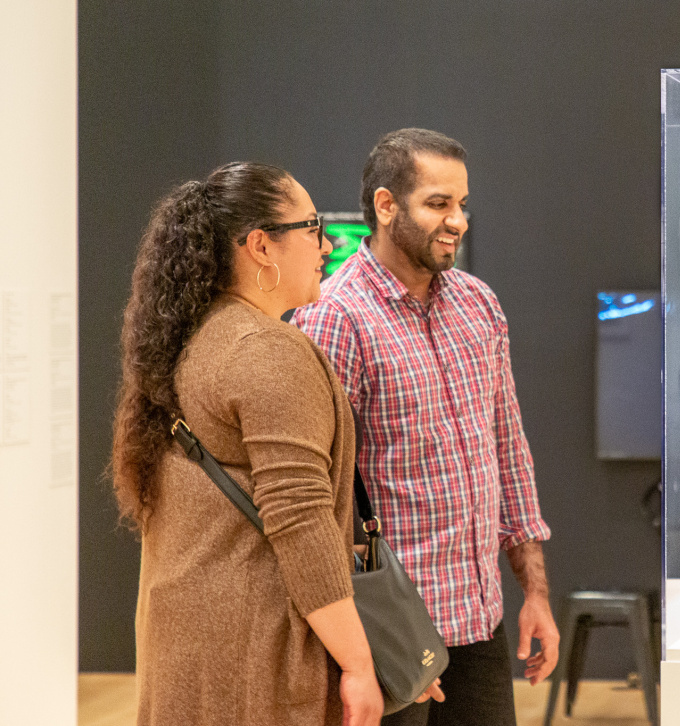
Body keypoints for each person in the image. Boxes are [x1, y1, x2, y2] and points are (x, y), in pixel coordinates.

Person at [112, 161, 439, 725]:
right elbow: (302, 520)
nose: (329, 242)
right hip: (258, 653)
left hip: (192, 642)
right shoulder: (268, 350)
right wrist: (360, 665)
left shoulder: (193, 338)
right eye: (313, 227)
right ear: (262, 246)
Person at [293, 128, 558, 726]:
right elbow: (315, 500)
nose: (458, 220)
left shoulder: (479, 304)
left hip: (479, 622)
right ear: (385, 207)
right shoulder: (334, 317)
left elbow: (509, 454)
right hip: (392, 632)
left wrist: (535, 594)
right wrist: (359, 651)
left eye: (462, 204)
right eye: (438, 204)